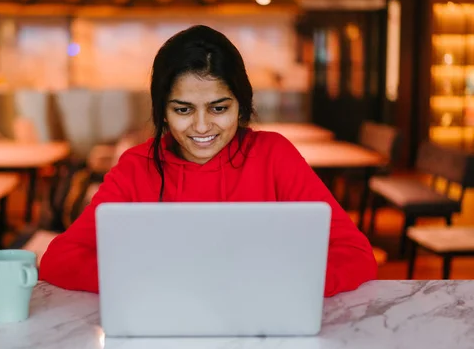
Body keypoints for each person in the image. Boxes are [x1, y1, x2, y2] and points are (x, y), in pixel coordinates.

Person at [39, 25, 377, 297]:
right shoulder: (136, 166)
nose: (202, 127)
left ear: (241, 107)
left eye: (219, 108)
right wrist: (156, 282)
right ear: (162, 113)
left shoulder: (274, 156)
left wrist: (282, 284)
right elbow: (60, 260)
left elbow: (356, 255)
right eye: (183, 109)